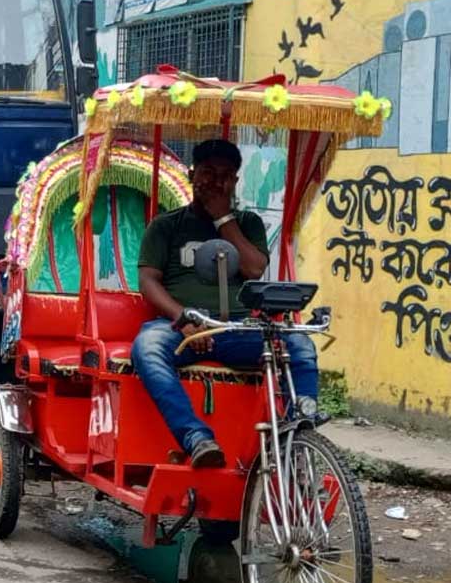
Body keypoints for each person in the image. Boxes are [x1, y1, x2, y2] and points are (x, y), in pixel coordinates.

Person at [129, 139, 318, 467]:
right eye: (208, 173)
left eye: (226, 176)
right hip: (184, 327)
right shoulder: (166, 226)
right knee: (147, 346)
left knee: (298, 343)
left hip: (239, 329)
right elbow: (148, 281)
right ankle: (196, 438)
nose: (217, 182)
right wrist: (181, 317)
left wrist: (222, 219)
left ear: (235, 182)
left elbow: (254, 268)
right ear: (192, 175)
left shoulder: (248, 224)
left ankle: (298, 437)